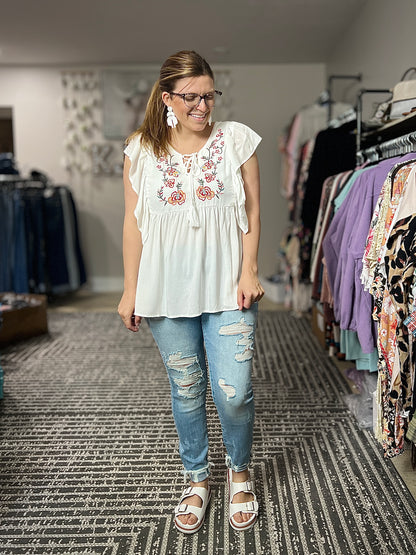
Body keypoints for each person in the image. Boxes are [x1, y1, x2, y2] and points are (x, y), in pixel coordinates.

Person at [118, 50, 264, 534]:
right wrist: (129, 289)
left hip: (228, 289)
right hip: (165, 291)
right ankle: (197, 478)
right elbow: (133, 225)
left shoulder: (237, 140)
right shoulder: (139, 150)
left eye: (209, 95)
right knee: (186, 390)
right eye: (192, 97)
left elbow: (253, 215)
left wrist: (249, 271)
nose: (203, 106)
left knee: (234, 392)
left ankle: (238, 470)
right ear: (167, 99)